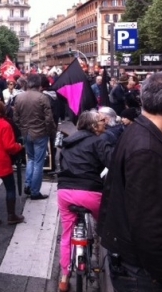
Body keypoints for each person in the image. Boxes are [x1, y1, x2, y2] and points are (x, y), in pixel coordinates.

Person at [97, 72, 162, 291]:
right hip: (145, 274)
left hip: (136, 266)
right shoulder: (148, 150)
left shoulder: (138, 132)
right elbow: (149, 230)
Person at [56, 111, 114, 292]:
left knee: (66, 235)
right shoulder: (98, 141)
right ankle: (112, 256)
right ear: (94, 126)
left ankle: (64, 278)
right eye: (101, 121)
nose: (104, 123)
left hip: (64, 191)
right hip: (89, 192)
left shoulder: (68, 142)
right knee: (106, 225)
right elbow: (112, 162)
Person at [14, 74, 56, 200]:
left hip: (26, 132)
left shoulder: (19, 97)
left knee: (31, 160)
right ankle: (34, 191)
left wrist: (22, 128)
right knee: (38, 162)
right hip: (40, 133)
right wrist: (50, 131)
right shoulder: (43, 98)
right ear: (39, 85)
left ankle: (28, 184)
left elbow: (16, 118)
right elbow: (49, 119)